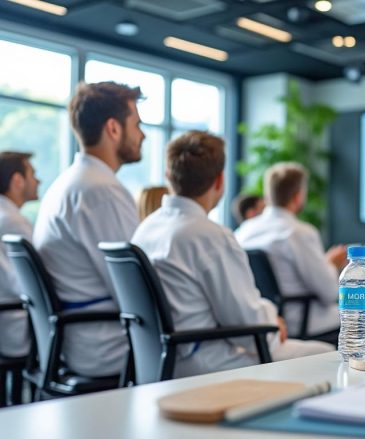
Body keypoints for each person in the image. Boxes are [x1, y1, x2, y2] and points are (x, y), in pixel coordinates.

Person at [133, 132, 333, 377]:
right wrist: (272, 319)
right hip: (205, 363)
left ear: (168, 176)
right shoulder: (209, 236)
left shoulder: (145, 229)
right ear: (220, 181)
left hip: (158, 360)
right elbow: (249, 328)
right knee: (329, 356)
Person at [33, 81, 144, 377]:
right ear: (113, 128)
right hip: (108, 346)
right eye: (137, 124)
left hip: (75, 341)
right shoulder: (101, 192)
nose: (142, 134)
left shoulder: (68, 184)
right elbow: (137, 290)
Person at [235, 162, 345, 338]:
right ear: (298, 196)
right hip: (300, 322)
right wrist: (331, 264)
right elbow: (330, 293)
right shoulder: (299, 232)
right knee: (364, 317)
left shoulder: (244, 231)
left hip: (263, 320)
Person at [0, 152, 39, 359]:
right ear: (17, 180)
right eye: (33, 174)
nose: (38, 181)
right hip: (15, 325)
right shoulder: (13, 221)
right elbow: (31, 284)